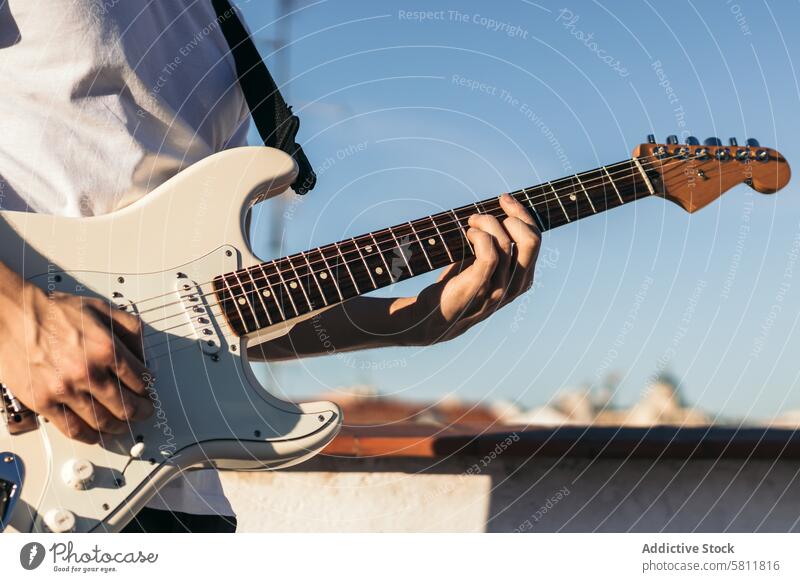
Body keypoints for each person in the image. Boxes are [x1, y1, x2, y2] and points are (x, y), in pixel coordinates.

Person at [0, 2, 540, 533]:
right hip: (21, 464)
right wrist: (16, 321)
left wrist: (406, 320)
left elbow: (208, 310)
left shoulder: (215, 26)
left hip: (178, 497)